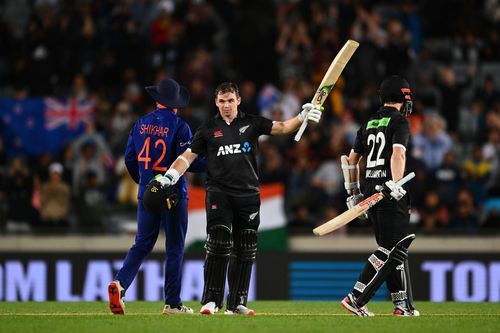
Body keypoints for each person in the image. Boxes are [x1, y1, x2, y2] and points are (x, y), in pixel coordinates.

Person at [157, 82, 322, 315]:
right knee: (218, 243)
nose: (226, 105)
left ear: (238, 101)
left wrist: (302, 116)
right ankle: (211, 301)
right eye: (222, 101)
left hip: (249, 194)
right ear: (216, 102)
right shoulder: (207, 128)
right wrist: (171, 176)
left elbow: (283, 127)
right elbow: (188, 156)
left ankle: (236, 303)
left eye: (230, 101)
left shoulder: (252, 123)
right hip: (219, 193)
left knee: (246, 247)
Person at [107, 78, 205, 315]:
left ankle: (120, 284)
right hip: (173, 194)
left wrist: (143, 185)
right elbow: (188, 162)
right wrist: (213, 161)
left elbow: (130, 159)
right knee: (174, 248)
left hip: (146, 193)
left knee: (142, 243)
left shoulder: (140, 124)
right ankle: (172, 303)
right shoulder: (180, 126)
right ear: (176, 104)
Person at [339, 75, 420, 317]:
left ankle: (402, 304)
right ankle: (356, 297)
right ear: (403, 98)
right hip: (389, 193)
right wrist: (395, 184)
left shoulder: (368, 122)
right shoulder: (399, 122)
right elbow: (398, 155)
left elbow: (351, 160)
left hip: (369, 193)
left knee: (392, 247)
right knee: (393, 248)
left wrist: (353, 192)